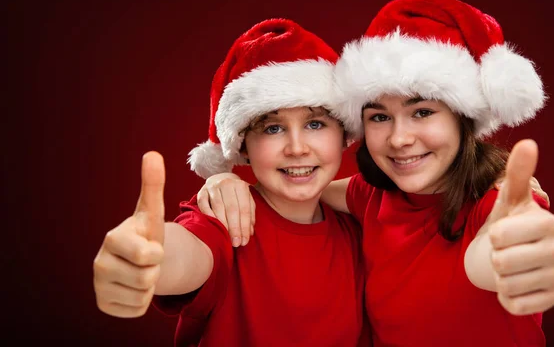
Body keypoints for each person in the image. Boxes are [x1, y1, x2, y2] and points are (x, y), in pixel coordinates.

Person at [196, 0, 554, 346]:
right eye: (379, 117)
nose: (399, 138)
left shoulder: (499, 203)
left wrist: (516, 254)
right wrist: (224, 181)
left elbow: (496, 251)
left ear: (462, 119)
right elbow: (306, 183)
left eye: (422, 112)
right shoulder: (369, 196)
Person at [92, 19, 369, 347]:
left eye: (315, 124)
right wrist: (149, 259)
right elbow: (190, 252)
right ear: (243, 148)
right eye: (272, 129)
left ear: (343, 136)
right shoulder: (226, 218)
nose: (297, 148)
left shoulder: (357, 230)